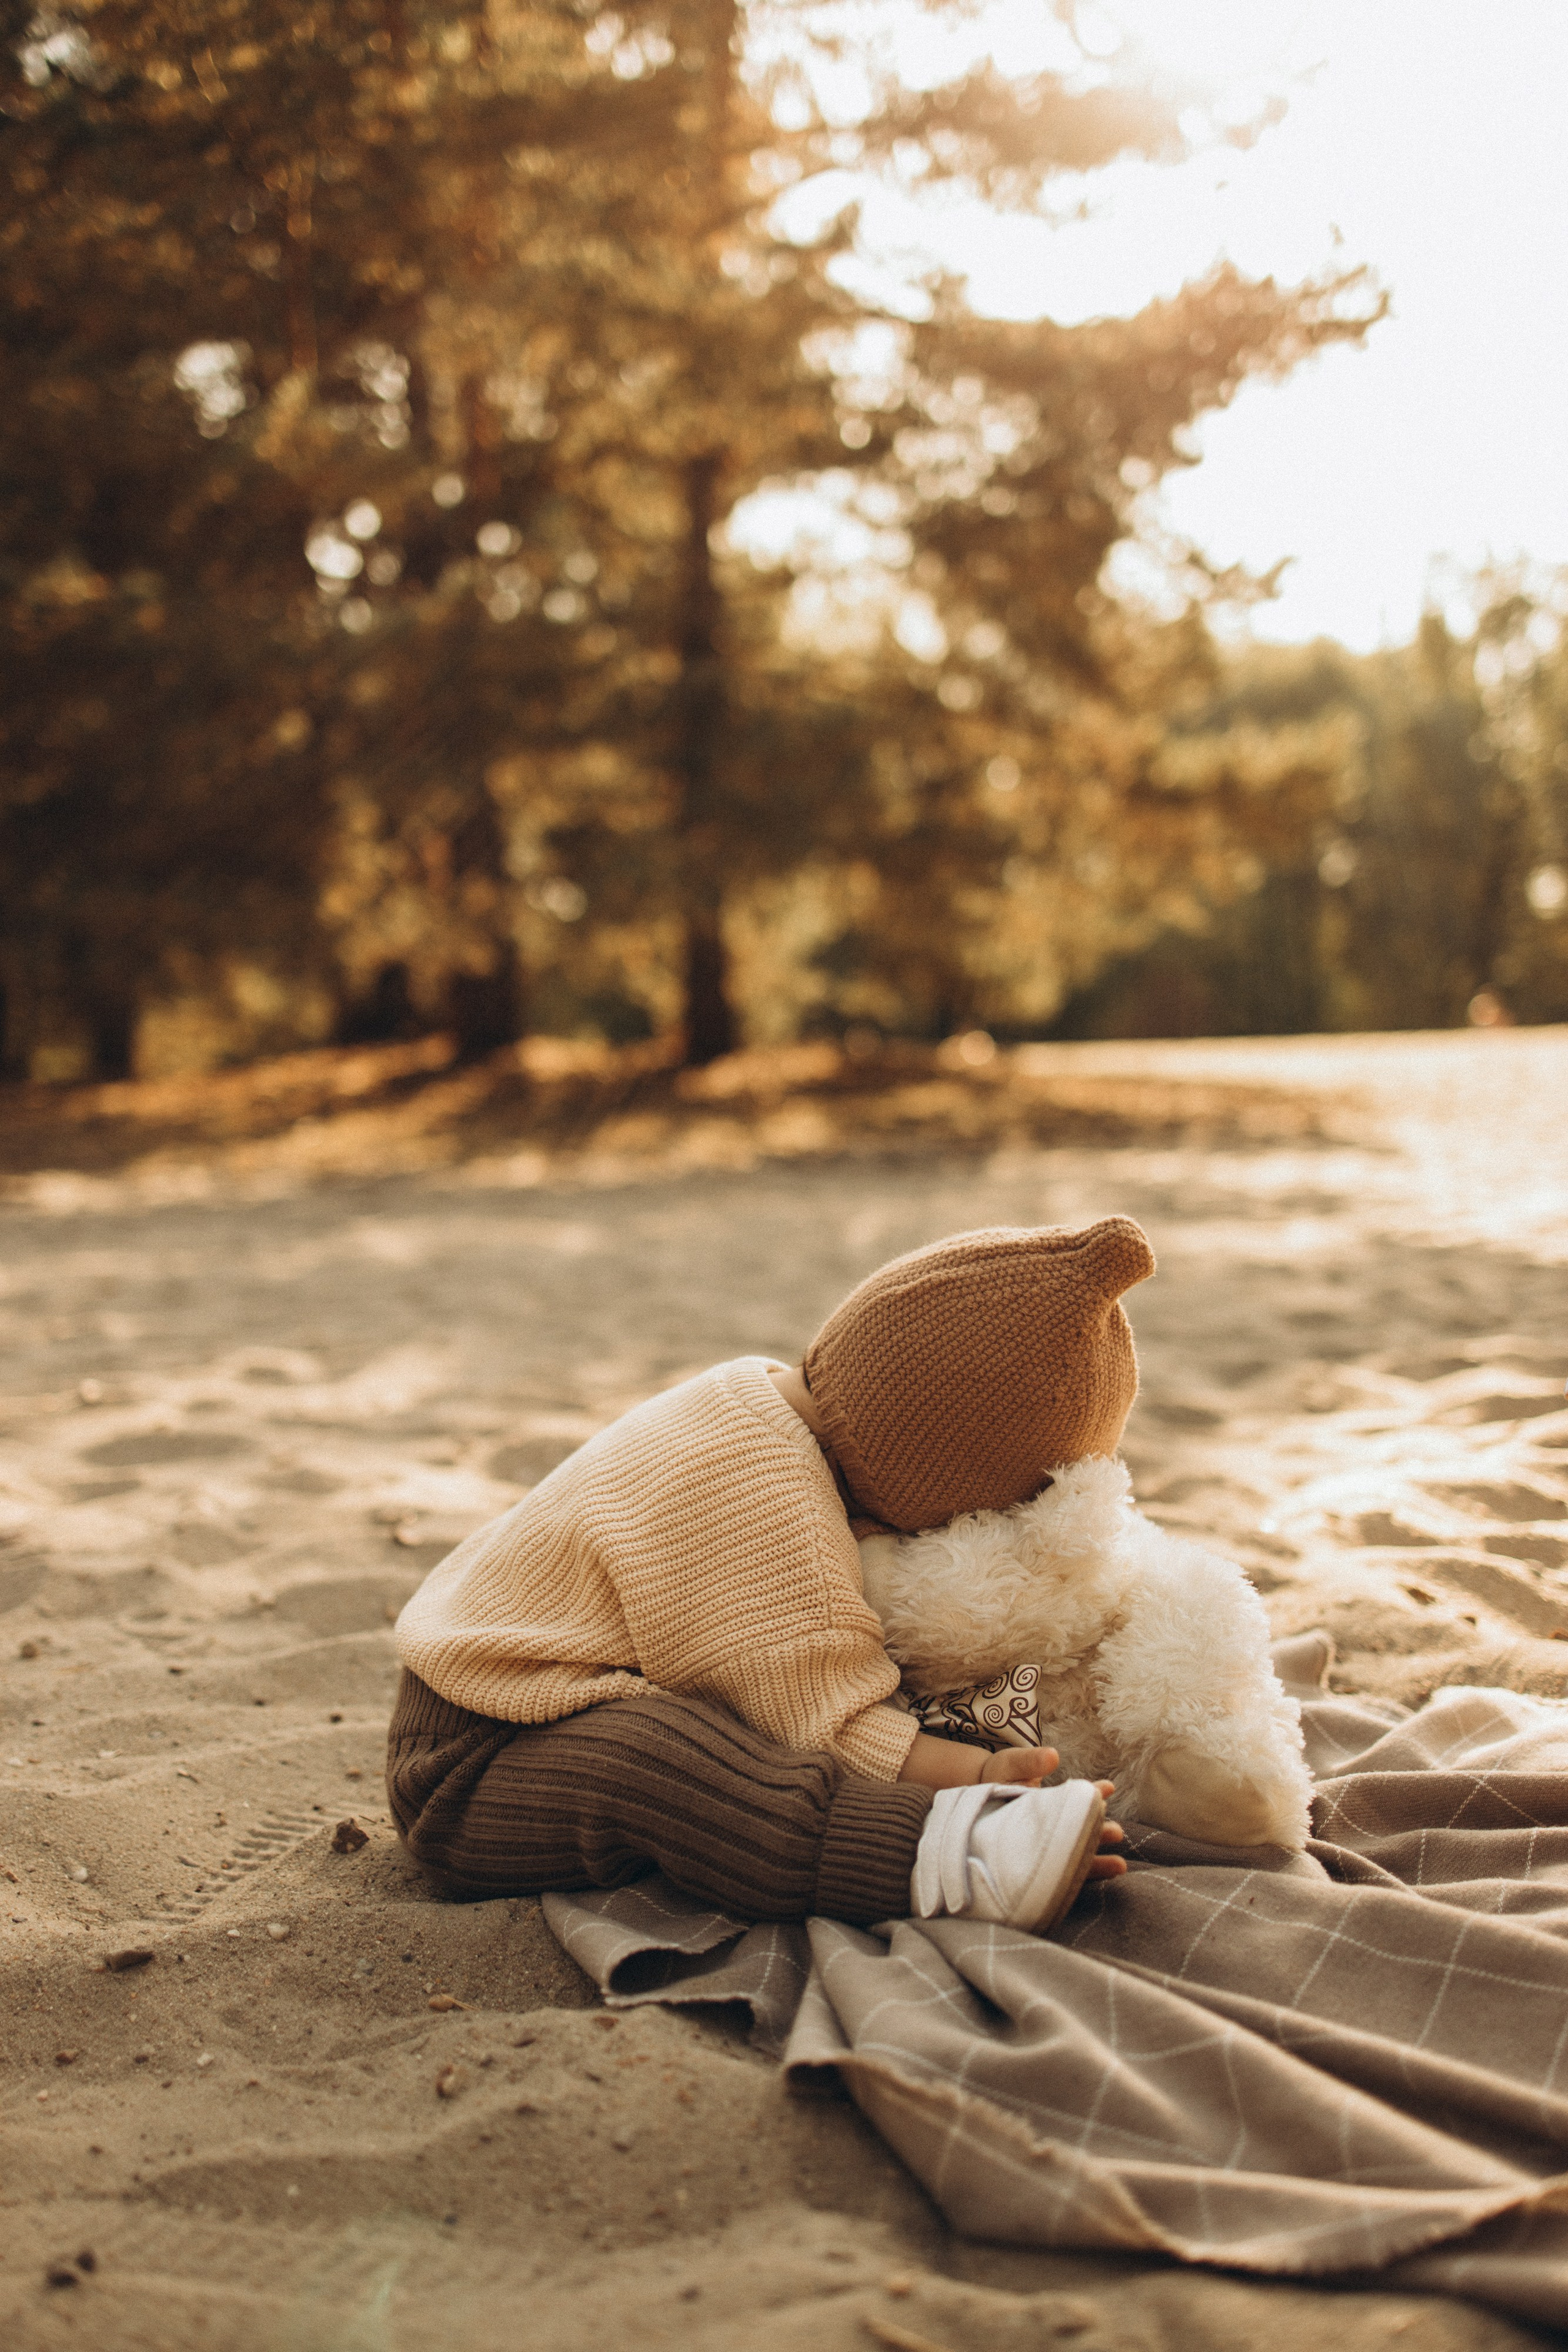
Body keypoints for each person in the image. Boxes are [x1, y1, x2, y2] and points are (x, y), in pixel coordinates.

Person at [386, 1219, 1155, 1934]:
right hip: (475, 1772)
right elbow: (822, 1725)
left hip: (506, 1699)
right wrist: (978, 1772)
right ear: (924, 1481)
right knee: (674, 1764)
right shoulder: (768, 1511)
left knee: (683, 1739)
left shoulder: (745, 1394)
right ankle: (940, 1855)